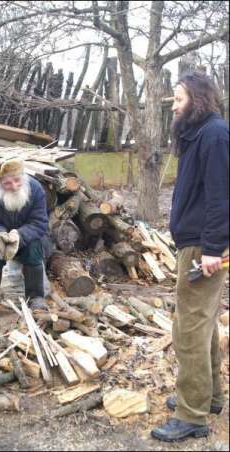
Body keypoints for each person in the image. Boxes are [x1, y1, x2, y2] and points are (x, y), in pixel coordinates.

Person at [151, 72, 229, 442]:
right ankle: (209, 397)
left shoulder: (214, 135)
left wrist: (214, 248)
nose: (174, 105)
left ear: (196, 99)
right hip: (197, 242)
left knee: (190, 327)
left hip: (203, 246)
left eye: (178, 99)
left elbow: (221, 196)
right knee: (203, 323)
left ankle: (191, 415)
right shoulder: (200, 134)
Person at [0, 158, 50, 319]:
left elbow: (39, 222)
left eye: (17, 180)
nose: (14, 186)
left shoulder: (36, 188)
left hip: (30, 234)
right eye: (7, 184)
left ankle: (36, 297)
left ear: (22, 176)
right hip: (1, 235)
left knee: (34, 250)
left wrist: (19, 235)